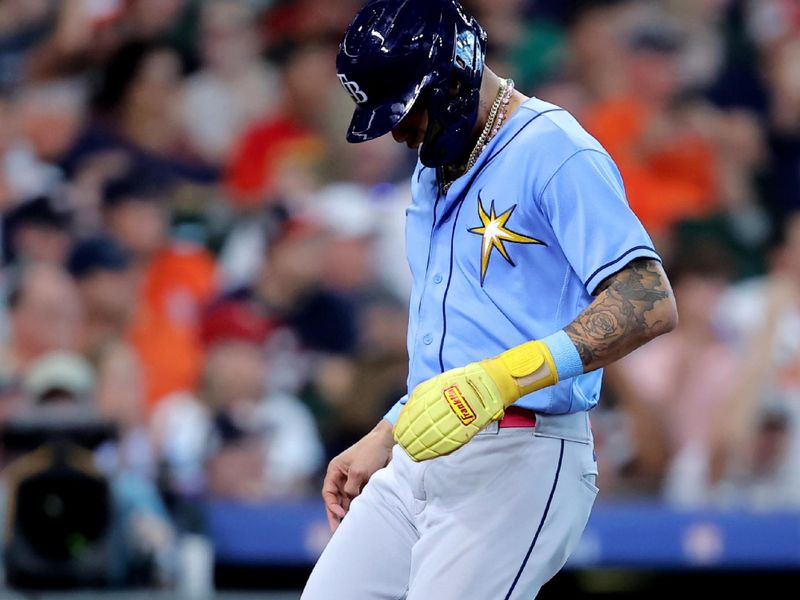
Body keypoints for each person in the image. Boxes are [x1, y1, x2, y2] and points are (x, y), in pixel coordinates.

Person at [301, 1, 677, 599]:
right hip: (424, 453)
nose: (398, 130)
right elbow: (467, 339)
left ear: (453, 75)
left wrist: (506, 377)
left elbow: (649, 299)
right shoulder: (435, 167)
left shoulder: (555, 149)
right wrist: (391, 430)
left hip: (524, 451)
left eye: (406, 110)